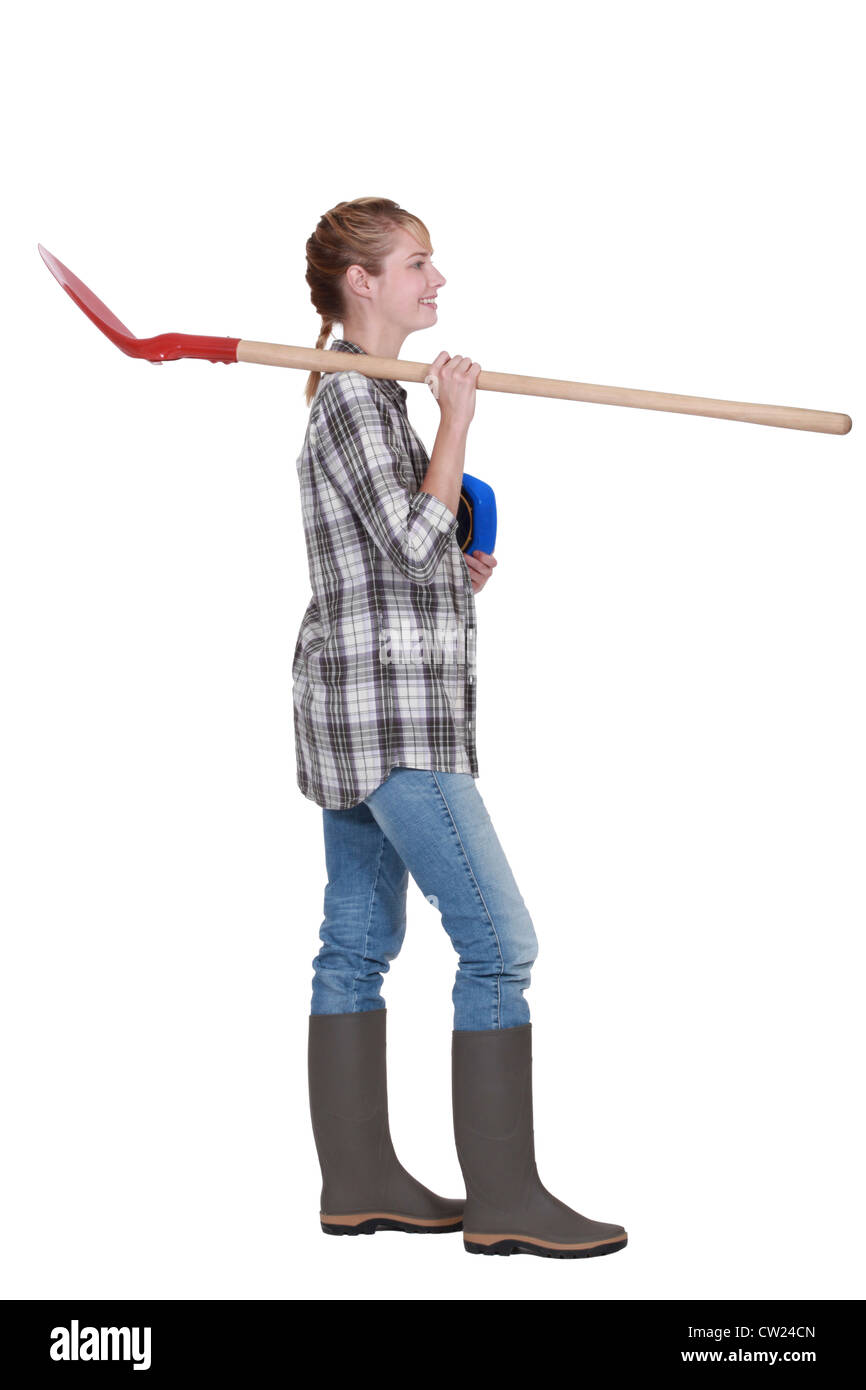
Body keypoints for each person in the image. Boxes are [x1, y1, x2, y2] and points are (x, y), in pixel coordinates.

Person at [295, 197, 627, 1258]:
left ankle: (358, 1180)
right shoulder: (359, 398)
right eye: (416, 265)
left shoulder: (368, 399)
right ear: (362, 282)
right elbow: (403, 536)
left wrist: (459, 568)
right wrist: (457, 421)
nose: (436, 283)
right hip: (393, 721)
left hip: (358, 701)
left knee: (354, 947)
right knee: (498, 945)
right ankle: (504, 1200)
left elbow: (404, 553)